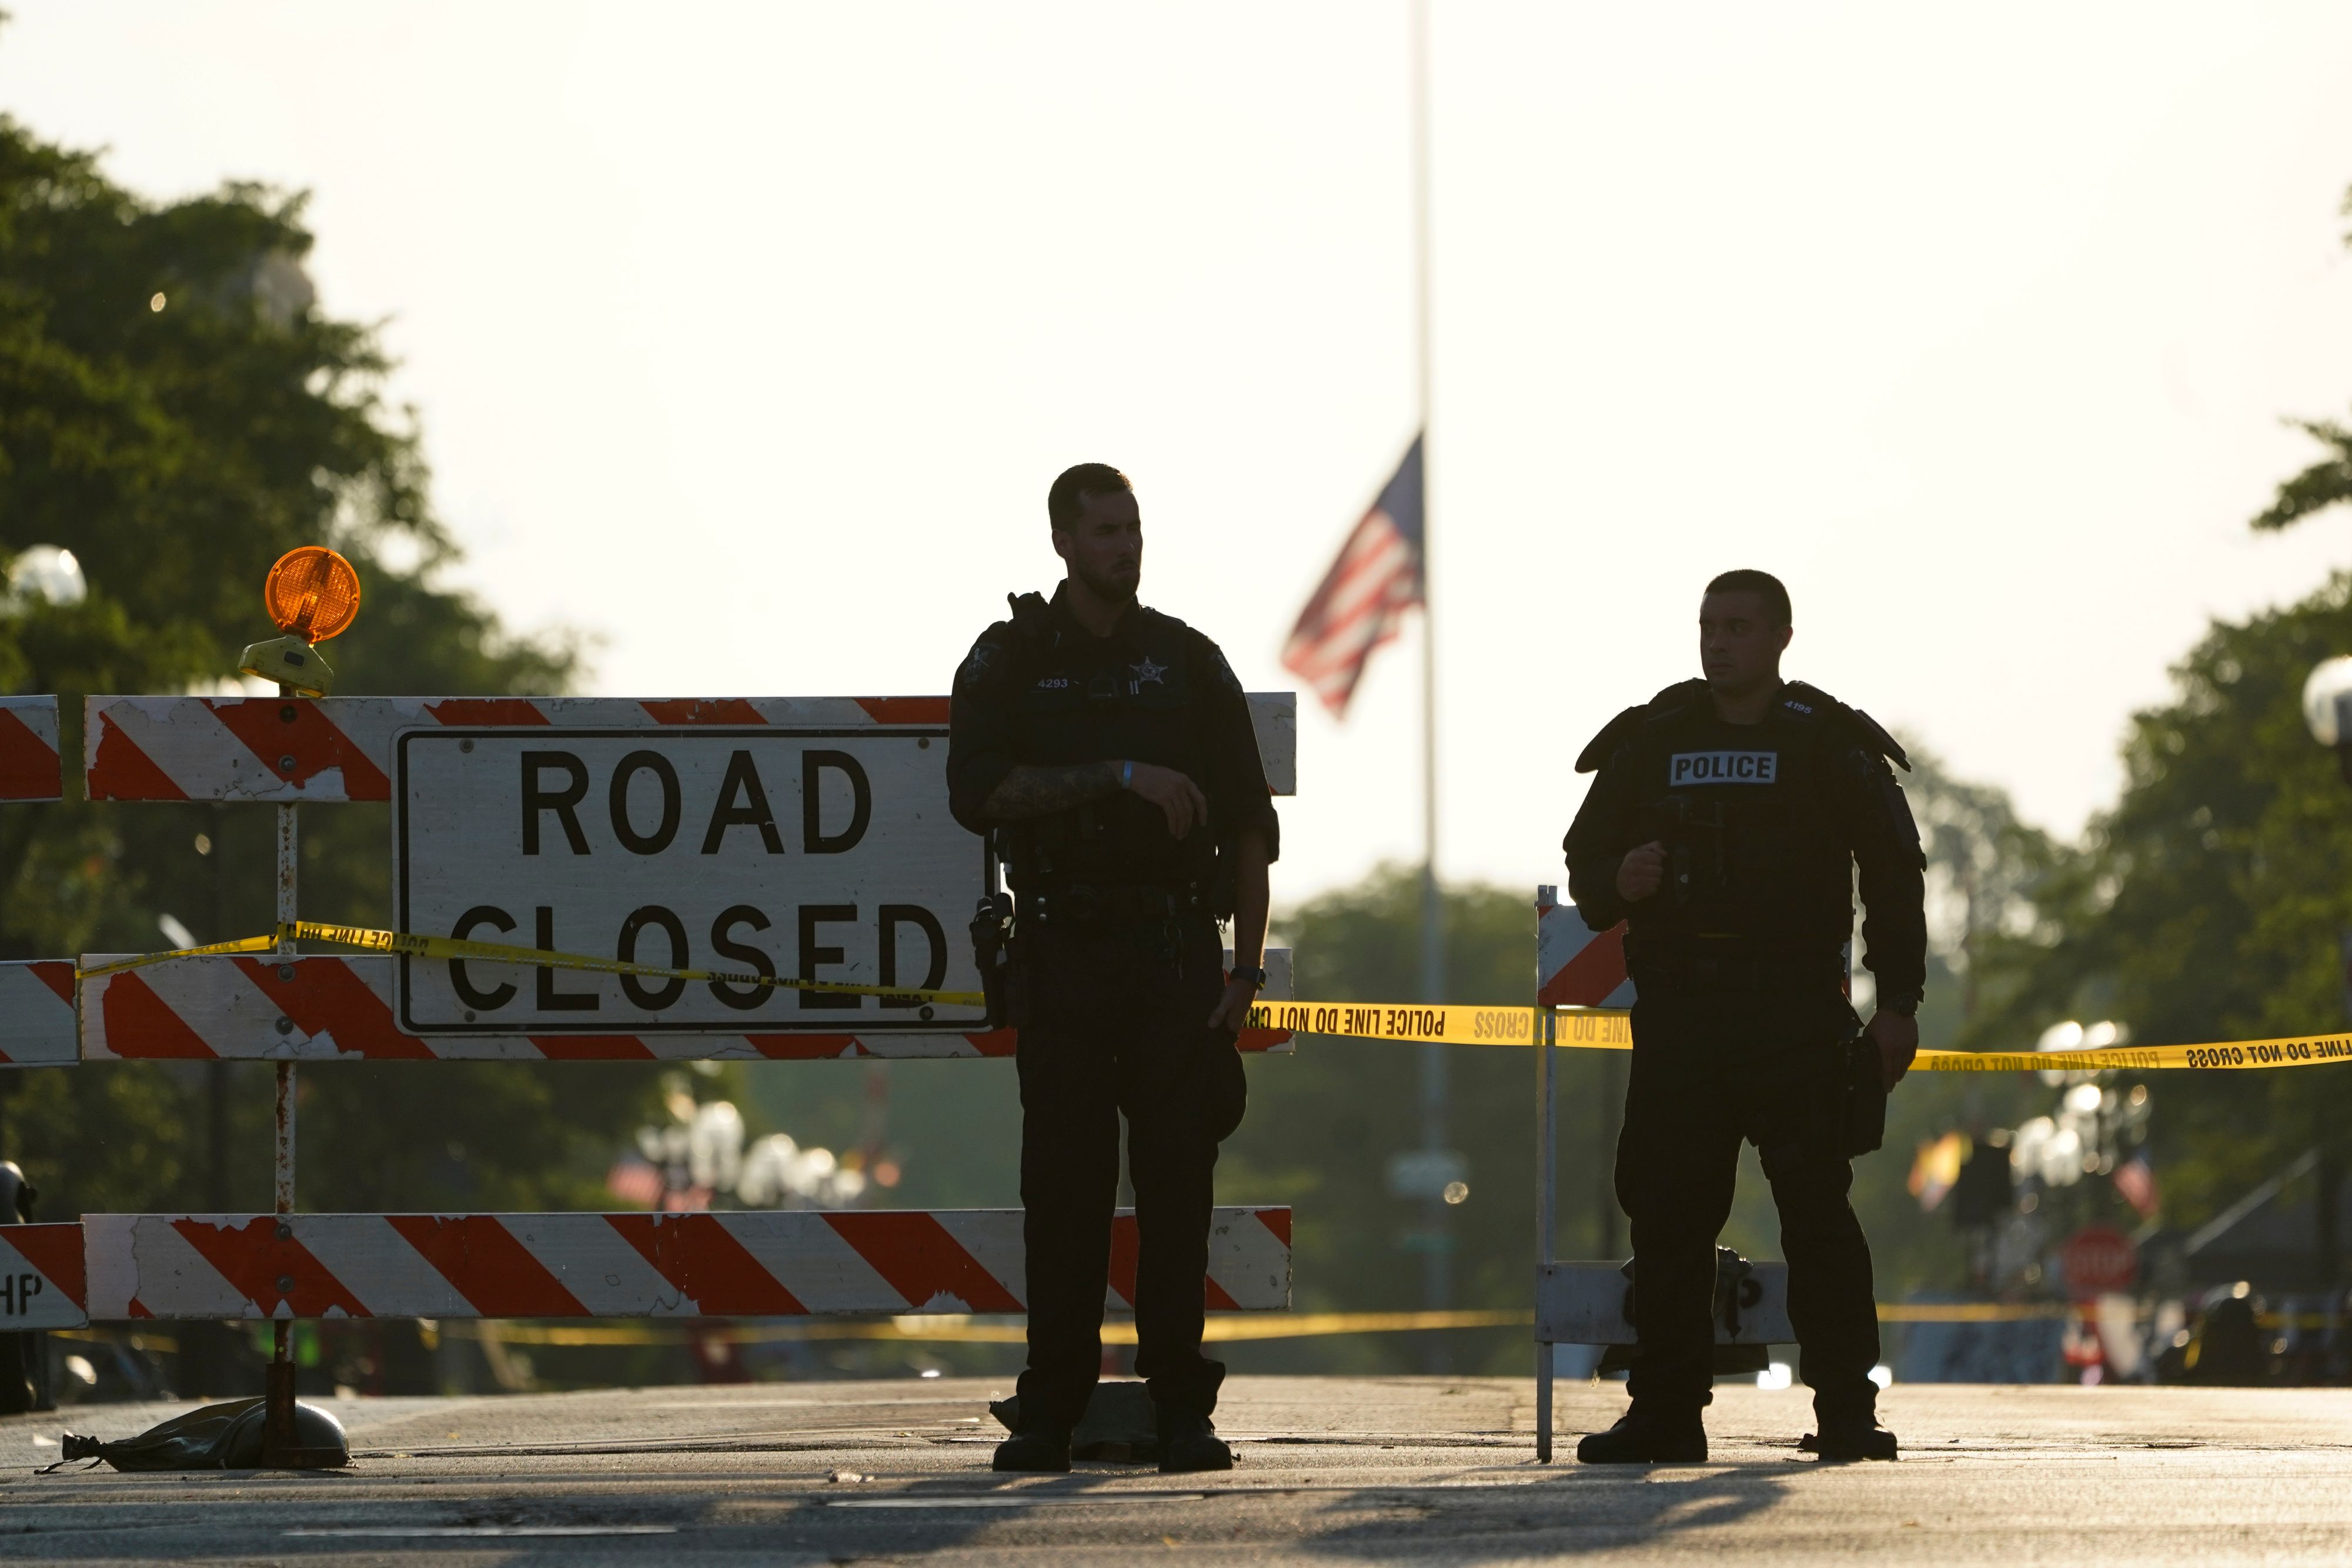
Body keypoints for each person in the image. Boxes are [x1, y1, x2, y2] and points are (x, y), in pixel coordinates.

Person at [948, 463, 1278, 1475]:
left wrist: (1245, 976)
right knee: (1065, 1196)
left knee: (1179, 1196)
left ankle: (1183, 1407)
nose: (1123, 548)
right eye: (1103, 532)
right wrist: (1120, 776)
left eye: (1132, 529)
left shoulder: (1186, 663)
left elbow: (1252, 833)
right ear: (1062, 543)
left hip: (1175, 961)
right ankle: (1052, 1407)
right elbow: (979, 793)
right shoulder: (1010, 661)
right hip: (1063, 957)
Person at [1561, 569, 1925, 1463]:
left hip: (1794, 1019)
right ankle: (1666, 1413)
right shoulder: (1654, 739)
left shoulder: (1828, 745)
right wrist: (1618, 883)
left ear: (1781, 638)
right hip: (1683, 1020)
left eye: (1738, 626)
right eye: (1708, 625)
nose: (1719, 642)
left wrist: (1899, 1006)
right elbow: (1586, 861)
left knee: (1817, 1214)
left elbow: (1894, 874)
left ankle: (1846, 1410)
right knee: (1668, 1219)